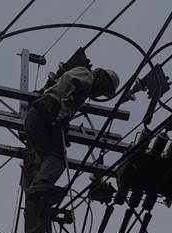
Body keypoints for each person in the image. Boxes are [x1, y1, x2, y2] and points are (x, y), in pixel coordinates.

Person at [24, 65, 120, 204]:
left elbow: (67, 102)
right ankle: (39, 189)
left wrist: (64, 126)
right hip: (47, 110)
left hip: (39, 116)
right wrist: (63, 112)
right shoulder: (86, 74)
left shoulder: (83, 91)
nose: (100, 93)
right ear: (102, 79)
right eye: (104, 89)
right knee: (57, 158)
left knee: (48, 157)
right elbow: (69, 82)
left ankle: (39, 188)